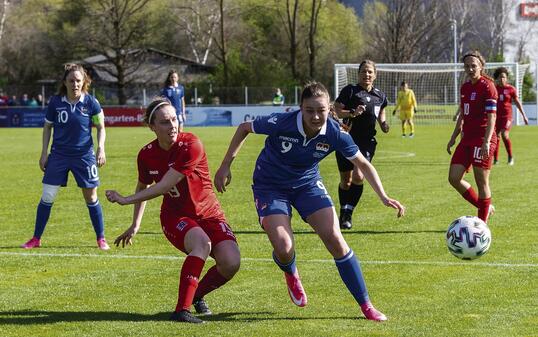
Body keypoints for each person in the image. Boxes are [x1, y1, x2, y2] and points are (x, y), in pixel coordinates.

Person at [214, 82, 405, 322]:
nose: (315, 116)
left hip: (307, 185)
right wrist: (225, 166)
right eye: (309, 110)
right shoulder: (282, 122)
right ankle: (290, 271)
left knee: (336, 239)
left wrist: (383, 196)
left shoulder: (336, 133)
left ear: (329, 109)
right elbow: (244, 128)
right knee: (284, 247)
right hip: (270, 186)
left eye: (321, 110)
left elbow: (363, 164)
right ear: (300, 109)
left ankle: (366, 305)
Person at [105, 97, 240, 324]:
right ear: (152, 127)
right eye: (165, 122)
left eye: (174, 119)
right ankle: (181, 310)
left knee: (231, 262)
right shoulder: (146, 154)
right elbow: (144, 185)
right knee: (201, 243)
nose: (173, 125)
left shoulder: (191, 145)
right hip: (176, 217)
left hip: (210, 214)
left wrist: (125, 199)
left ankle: (196, 294)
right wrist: (135, 224)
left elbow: (165, 185)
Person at [21, 64, 109, 250]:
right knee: (48, 196)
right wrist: (44, 153)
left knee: (91, 197)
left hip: (84, 156)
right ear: (65, 82)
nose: (75, 84)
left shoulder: (91, 103)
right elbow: (47, 127)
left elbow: (101, 127)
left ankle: (101, 238)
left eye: (78, 80)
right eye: (71, 80)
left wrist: (101, 149)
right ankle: (36, 239)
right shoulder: (55, 102)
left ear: (84, 81)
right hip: (59, 156)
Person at [333, 60, 390, 230]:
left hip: (366, 142)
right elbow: (336, 110)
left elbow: (382, 109)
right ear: (358, 73)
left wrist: (383, 123)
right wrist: (352, 113)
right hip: (346, 139)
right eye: (364, 71)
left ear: (375, 74)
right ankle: (343, 211)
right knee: (346, 180)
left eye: (370, 72)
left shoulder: (380, 95)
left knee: (359, 176)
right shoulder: (350, 91)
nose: (367, 74)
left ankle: (348, 212)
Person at [447, 50, 497, 223]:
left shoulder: (488, 86)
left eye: (473, 65)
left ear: (481, 66)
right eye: (467, 66)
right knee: (453, 178)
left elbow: (492, 117)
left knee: (481, 182)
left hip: (483, 139)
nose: (470, 69)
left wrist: (486, 141)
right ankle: (485, 207)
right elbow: (463, 114)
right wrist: (453, 137)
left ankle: (482, 225)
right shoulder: (465, 87)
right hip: (466, 139)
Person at [492, 67, 529, 165]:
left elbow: (517, 103)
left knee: (504, 135)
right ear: (497, 78)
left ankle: (510, 157)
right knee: (496, 137)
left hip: (507, 117)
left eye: (503, 77)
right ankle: (495, 159)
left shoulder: (511, 89)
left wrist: (524, 116)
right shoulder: (494, 88)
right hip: (496, 117)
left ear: (507, 78)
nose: (502, 79)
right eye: (500, 77)